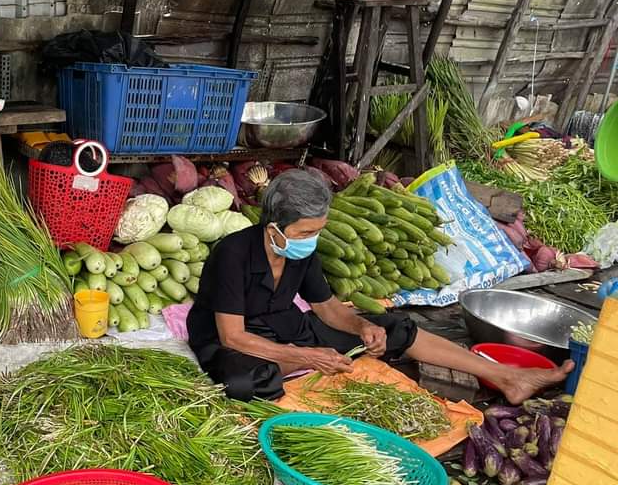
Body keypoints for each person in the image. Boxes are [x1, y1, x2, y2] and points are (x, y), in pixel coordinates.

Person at [188, 169, 573, 405]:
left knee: (393, 327)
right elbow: (234, 336)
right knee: (242, 381)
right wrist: (307, 357)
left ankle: (508, 376)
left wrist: (360, 327)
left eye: (317, 231)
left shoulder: (302, 250)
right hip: (232, 340)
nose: (311, 240)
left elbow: (327, 308)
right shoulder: (233, 254)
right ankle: (304, 367)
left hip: (286, 327)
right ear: (274, 228)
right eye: (304, 232)